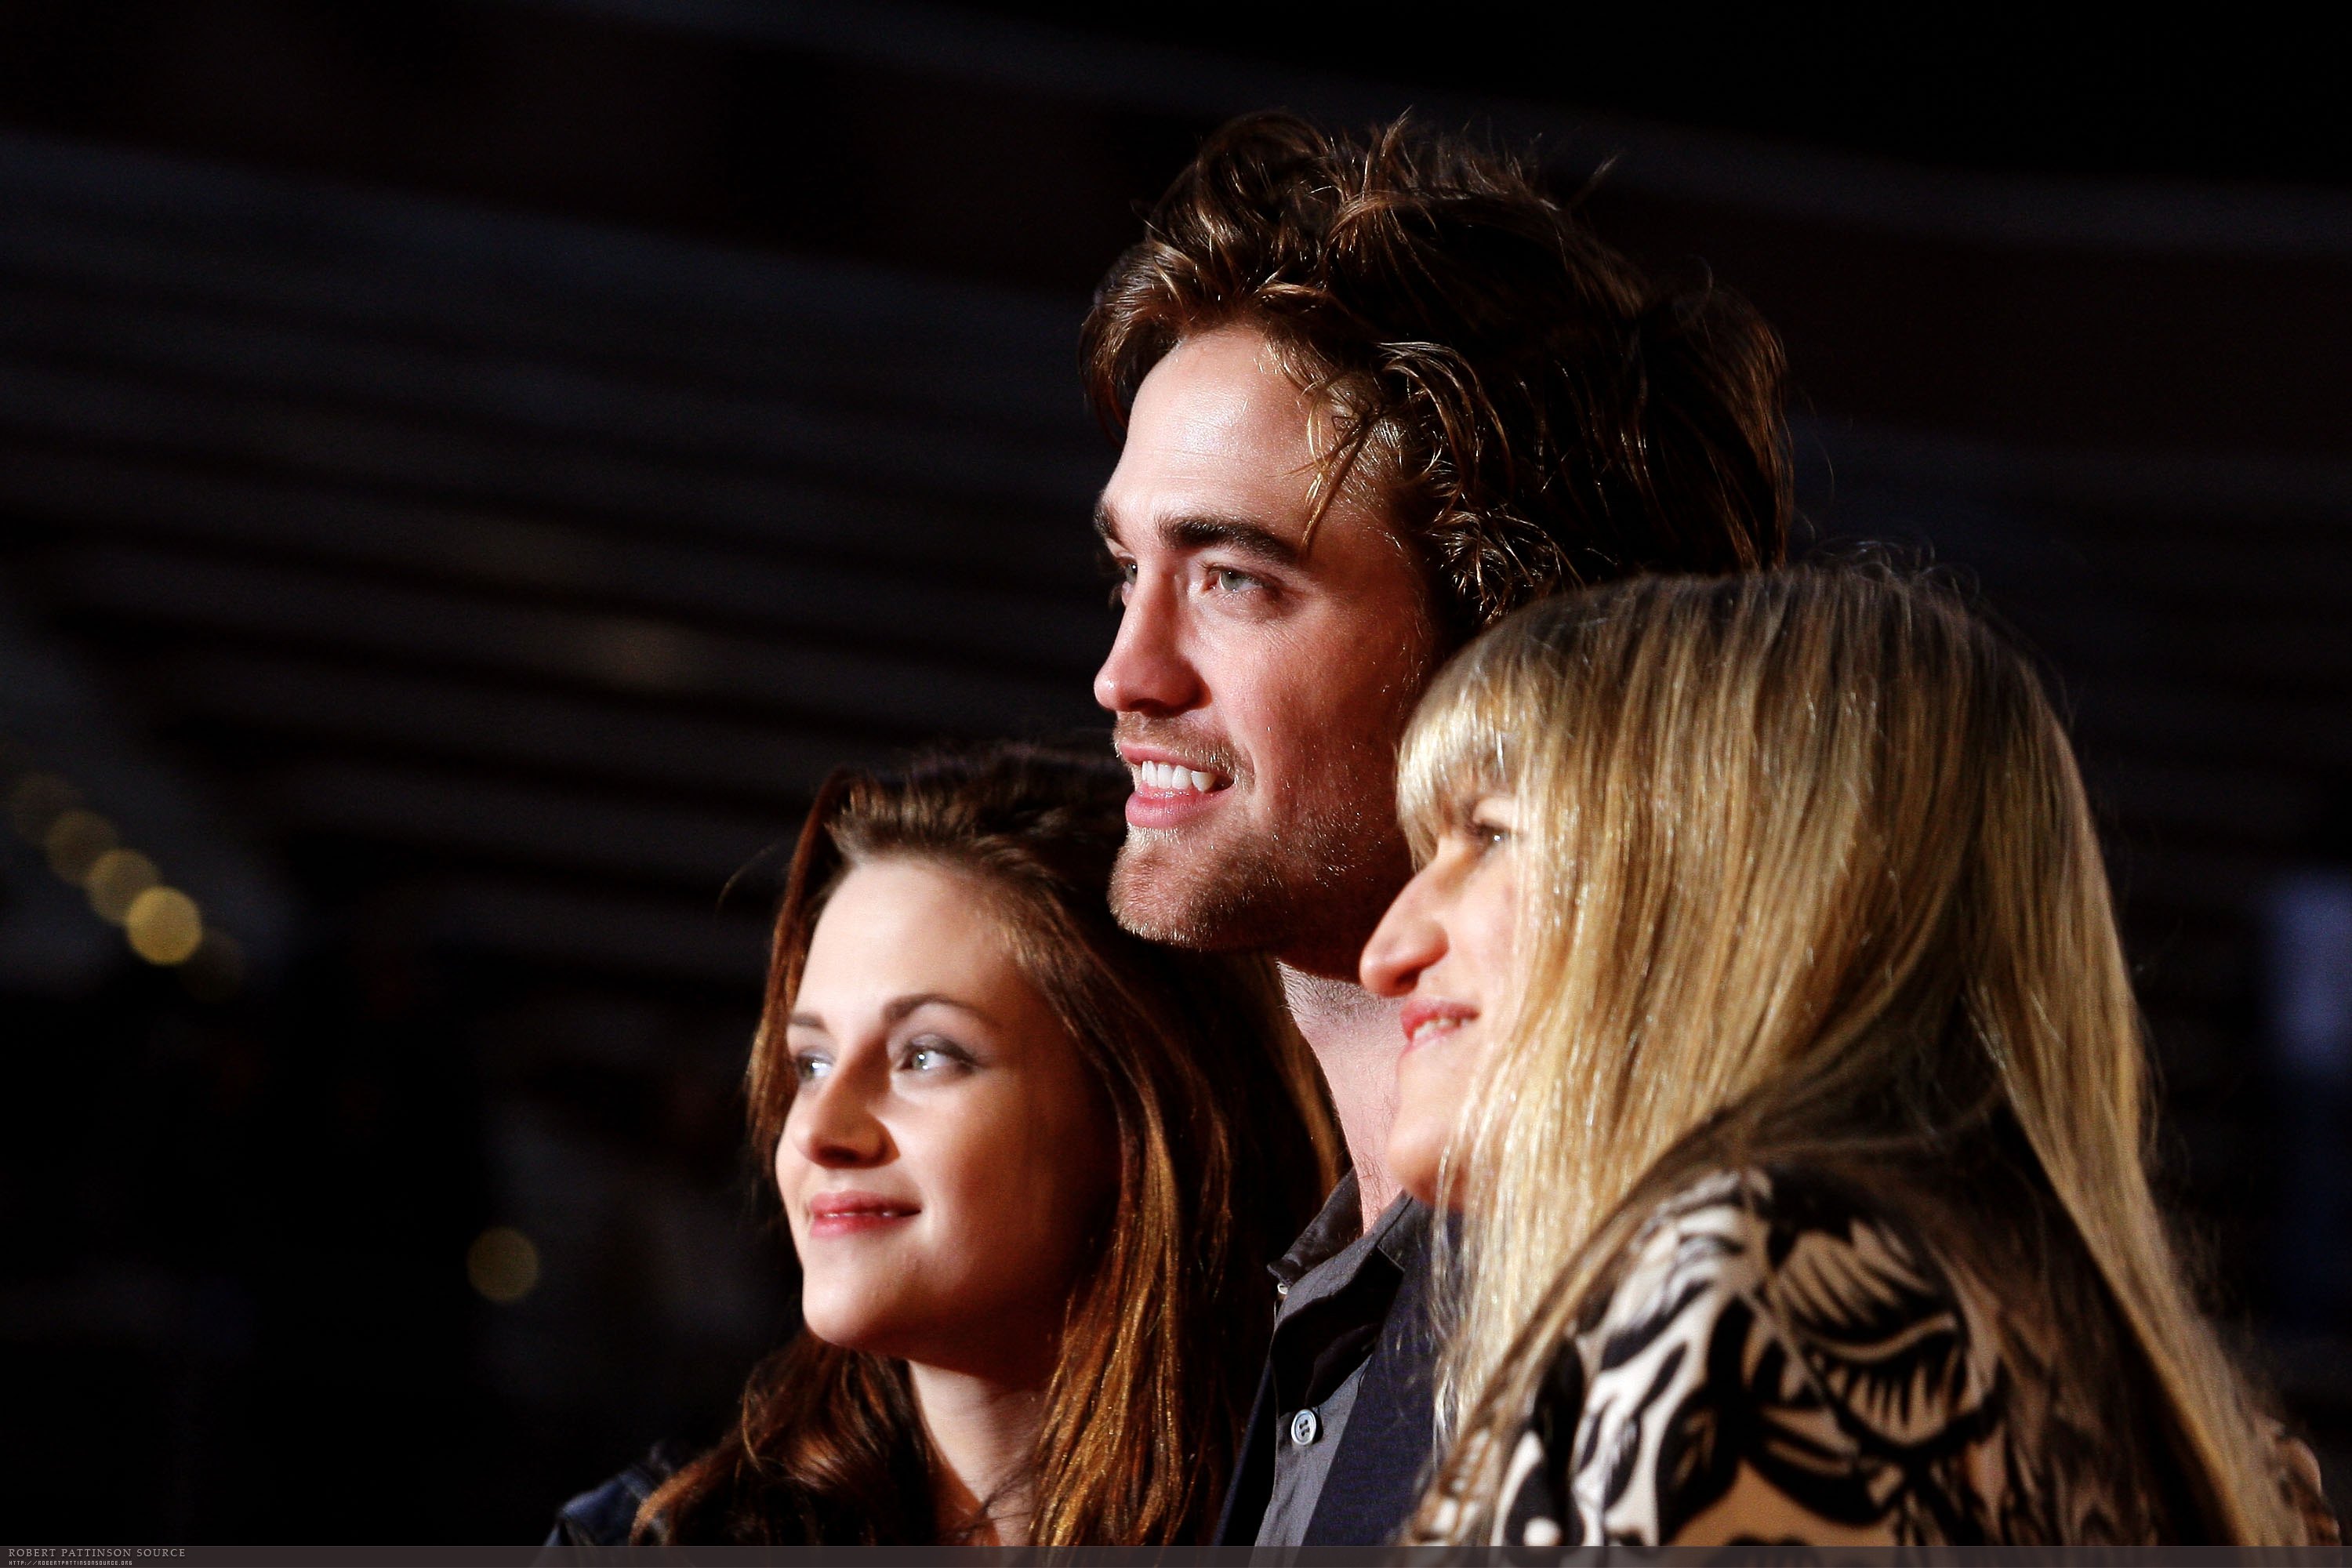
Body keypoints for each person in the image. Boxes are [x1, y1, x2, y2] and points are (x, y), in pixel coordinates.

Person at [1083, 111, 1791, 1543]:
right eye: (1126, 573)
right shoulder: (1282, 1315)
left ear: (1509, 653)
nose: (1125, 674)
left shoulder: (1676, 1337)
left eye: (1232, 580)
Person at [1363, 567, 2342, 1546]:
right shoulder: (2224, 1456)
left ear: (1733, 886)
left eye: (1491, 834)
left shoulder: (1748, 1305)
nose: (1387, 952)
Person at [547, 746, 1337, 1544]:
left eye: (925, 1055)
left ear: (1140, 1117)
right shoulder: (642, 1543)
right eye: (811, 1064)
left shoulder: (1333, 1520)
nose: (818, 1132)